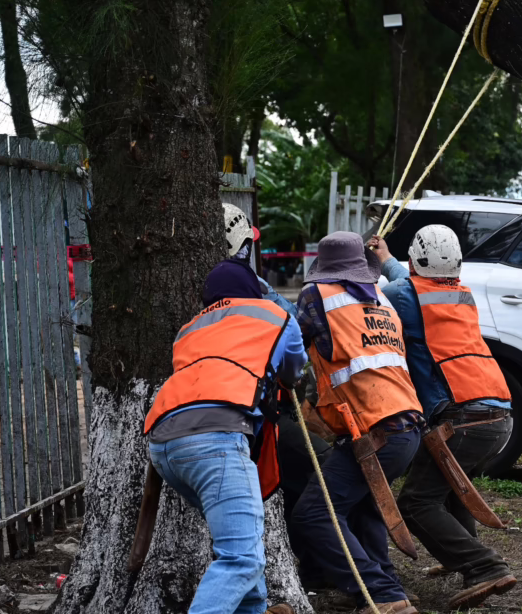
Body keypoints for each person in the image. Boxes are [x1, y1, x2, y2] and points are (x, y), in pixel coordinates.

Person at [143, 257, 307, 614]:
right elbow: (295, 369)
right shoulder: (275, 316)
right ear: (253, 289)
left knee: (242, 544)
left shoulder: (189, 328)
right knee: (241, 559)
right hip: (216, 440)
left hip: (163, 444)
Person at [370, 226, 518, 611]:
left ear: (416, 260)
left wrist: (361, 266)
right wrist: (385, 258)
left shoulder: (404, 296)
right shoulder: (460, 294)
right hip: (498, 414)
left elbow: (372, 300)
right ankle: (461, 555)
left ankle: (483, 566)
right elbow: (410, 282)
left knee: (417, 503)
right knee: (448, 488)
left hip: (463, 417)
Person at [290, 231, 424, 614]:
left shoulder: (318, 297)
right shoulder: (381, 300)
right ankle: (392, 590)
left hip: (374, 429)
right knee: (363, 508)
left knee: (315, 514)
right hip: (406, 427)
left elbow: (294, 350)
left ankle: (380, 593)